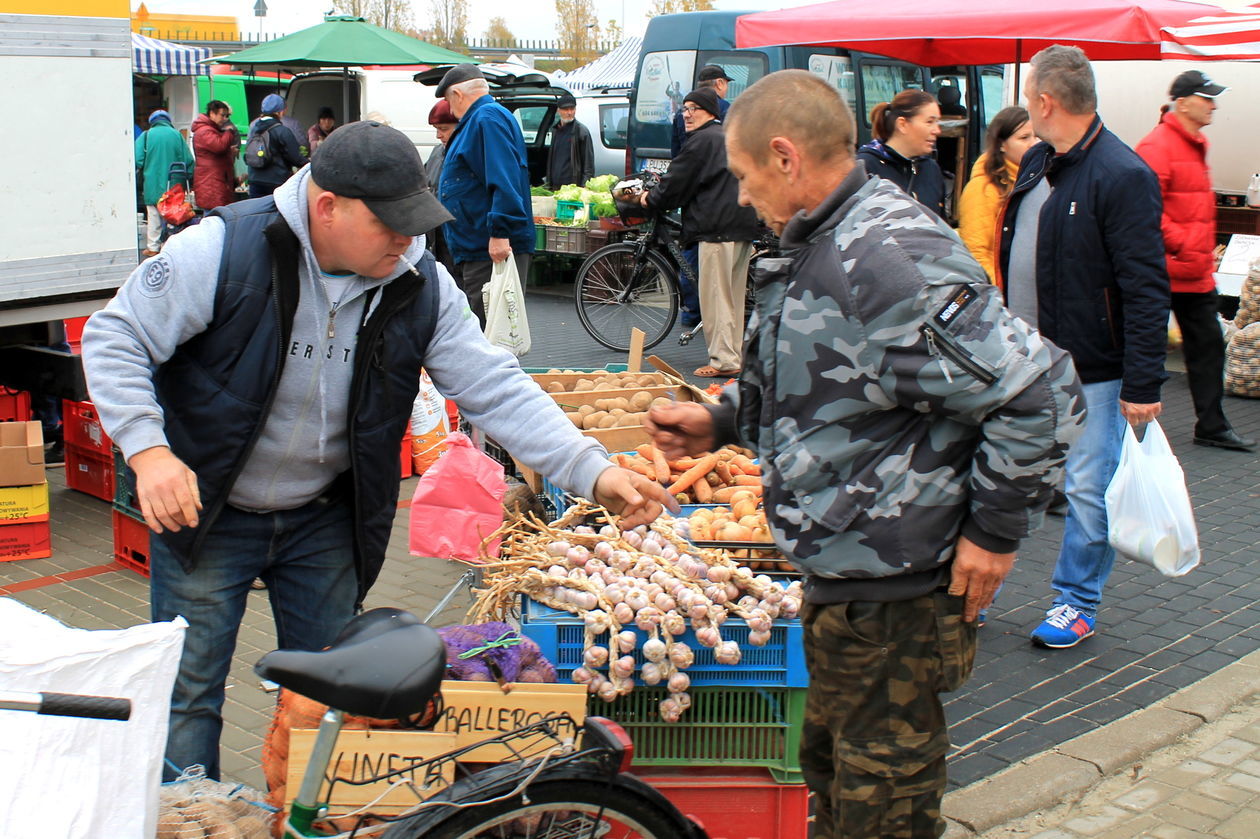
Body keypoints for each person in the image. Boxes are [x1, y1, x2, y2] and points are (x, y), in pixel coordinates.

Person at [81, 120, 675, 782]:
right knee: (188, 696)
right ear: (327, 206)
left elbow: (495, 386)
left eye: (414, 221)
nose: (407, 237)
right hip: (208, 507)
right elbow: (116, 336)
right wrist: (148, 449)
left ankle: (307, 820)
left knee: (337, 700)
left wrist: (592, 469)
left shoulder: (418, 280)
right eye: (389, 222)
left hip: (324, 517)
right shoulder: (226, 248)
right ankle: (186, 820)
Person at [647, 69, 1084, 839]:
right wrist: (721, 422)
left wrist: (994, 533)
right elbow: (830, 386)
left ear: (785, 157)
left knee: (881, 811)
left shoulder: (885, 256)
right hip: (847, 582)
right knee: (840, 786)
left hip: (898, 594)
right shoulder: (819, 242)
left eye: (745, 177)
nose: (742, 197)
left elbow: (1043, 393)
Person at [995, 45, 1171, 649]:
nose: (1026, 109)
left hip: (1092, 369)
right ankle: (978, 582)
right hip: (1022, 362)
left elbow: (1146, 288)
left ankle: (1076, 602)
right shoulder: (1041, 159)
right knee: (1002, 471)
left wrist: (1143, 384)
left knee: (1088, 489)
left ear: (1045, 102)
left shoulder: (1123, 175)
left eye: (1027, 98)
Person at [1136, 70, 1255, 452]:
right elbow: (1145, 211)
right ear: (1183, 102)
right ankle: (1132, 425)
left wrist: (1196, 253)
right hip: (1165, 269)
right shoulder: (1157, 146)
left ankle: (1212, 425)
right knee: (1146, 351)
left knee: (1208, 347)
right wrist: (1185, 245)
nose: (1214, 105)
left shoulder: (1194, 143)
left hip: (1192, 271)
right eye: (1207, 98)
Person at [638, 87, 759, 378]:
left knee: (716, 298)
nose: (688, 115)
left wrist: (648, 199)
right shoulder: (728, 136)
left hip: (715, 227)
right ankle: (733, 356)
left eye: (695, 109)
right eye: (685, 109)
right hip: (742, 225)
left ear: (710, 113)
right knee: (732, 298)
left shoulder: (701, 141)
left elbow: (676, 181)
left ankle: (722, 361)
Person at [436, 64, 535, 329]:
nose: (450, 107)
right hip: (479, 245)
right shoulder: (482, 119)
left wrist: (500, 232)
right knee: (488, 330)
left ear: (457, 94)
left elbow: (502, 176)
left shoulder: (486, 118)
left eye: (447, 100)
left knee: (491, 333)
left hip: (488, 247)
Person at [958, 106, 1037, 282]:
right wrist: (1004, 295)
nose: (1034, 143)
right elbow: (977, 251)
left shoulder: (1041, 179)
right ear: (1002, 145)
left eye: (1037, 136)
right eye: (1024, 138)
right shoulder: (983, 188)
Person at [856, 90, 946, 219]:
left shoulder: (931, 169)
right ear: (902, 124)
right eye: (929, 122)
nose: (937, 130)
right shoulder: (865, 167)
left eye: (938, 122)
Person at [135, 109, 194, 257]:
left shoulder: (146, 135)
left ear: (152, 122)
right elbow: (189, 160)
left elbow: (138, 159)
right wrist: (190, 179)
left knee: (154, 215)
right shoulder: (177, 135)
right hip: (174, 184)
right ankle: (171, 245)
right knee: (173, 215)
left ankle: (153, 247)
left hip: (153, 183)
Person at [244, 93, 306, 199]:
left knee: (257, 213)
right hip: (275, 183)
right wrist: (309, 163)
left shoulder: (254, 128)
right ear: (280, 112)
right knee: (275, 214)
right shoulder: (282, 131)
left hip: (254, 180)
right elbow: (296, 158)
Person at [424, 98, 459, 274]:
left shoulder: (466, 154)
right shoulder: (436, 152)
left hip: (458, 236)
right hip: (437, 235)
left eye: (444, 129)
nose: (439, 135)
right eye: (437, 130)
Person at [670, 65, 732, 158]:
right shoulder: (726, 109)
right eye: (726, 83)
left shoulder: (682, 111)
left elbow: (676, 150)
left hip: (687, 168)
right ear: (719, 83)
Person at [190, 100, 239, 211]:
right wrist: (229, 132)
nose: (225, 119)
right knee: (213, 218)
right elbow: (219, 146)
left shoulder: (210, 130)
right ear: (212, 113)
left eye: (227, 116)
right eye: (222, 115)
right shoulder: (205, 131)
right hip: (211, 184)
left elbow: (213, 150)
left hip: (215, 182)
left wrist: (229, 151)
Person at [545, 90, 595, 190]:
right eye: (566, 109)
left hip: (573, 187)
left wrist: (584, 186)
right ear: (558, 110)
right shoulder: (556, 130)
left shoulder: (581, 131)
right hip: (555, 186)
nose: (569, 113)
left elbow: (588, 165)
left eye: (572, 109)